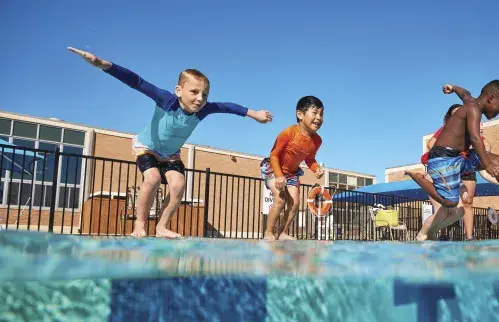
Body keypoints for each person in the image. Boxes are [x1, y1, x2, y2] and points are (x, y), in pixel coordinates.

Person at [68, 46, 273, 238]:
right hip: (147, 147)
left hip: (171, 154)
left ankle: (161, 226)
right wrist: (105, 65)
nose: (200, 99)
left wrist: (254, 114)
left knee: (178, 184)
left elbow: (227, 107)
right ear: (178, 90)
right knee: (153, 178)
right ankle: (140, 224)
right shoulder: (166, 100)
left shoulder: (203, 110)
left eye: (205, 94)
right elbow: (137, 82)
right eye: (194, 92)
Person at [406, 81, 499, 239]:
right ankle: (419, 178)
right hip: (442, 159)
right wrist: (486, 165)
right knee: (450, 203)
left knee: (496, 159)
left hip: (457, 158)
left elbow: (465, 93)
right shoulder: (474, 109)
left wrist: (453, 88)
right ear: (490, 98)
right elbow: (475, 139)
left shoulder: (470, 102)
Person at [414, 104, 499, 240]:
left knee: (458, 211)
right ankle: (424, 234)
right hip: (439, 173)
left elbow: (486, 147)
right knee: (443, 211)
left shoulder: (471, 133)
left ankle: (428, 233)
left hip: (455, 175)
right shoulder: (448, 131)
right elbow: (431, 144)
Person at [261, 96, 325, 241]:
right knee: (280, 199)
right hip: (273, 168)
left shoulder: (317, 140)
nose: (319, 118)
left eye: (321, 114)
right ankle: (269, 232)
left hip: (291, 174)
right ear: (300, 115)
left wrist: (315, 168)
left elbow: (309, 158)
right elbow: (274, 155)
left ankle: (282, 233)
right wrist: (278, 175)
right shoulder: (288, 133)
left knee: (295, 204)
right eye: (314, 113)